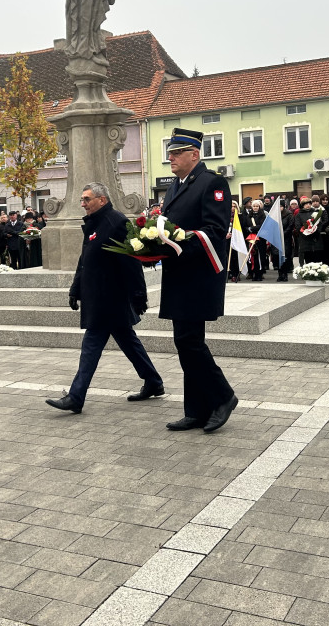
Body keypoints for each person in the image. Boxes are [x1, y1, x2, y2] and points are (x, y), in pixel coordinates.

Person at [46, 183, 164, 414]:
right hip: (97, 297)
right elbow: (85, 261)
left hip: (110, 298)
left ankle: (76, 396)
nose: (82, 203)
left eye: (87, 199)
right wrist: (75, 289)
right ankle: (153, 382)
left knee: (91, 346)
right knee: (128, 342)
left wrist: (139, 294)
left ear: (102, 200)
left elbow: (132, 262)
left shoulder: (116, 222)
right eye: (82, 199)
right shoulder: (93, 223)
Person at [158, 128, 238, 433]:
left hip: (199, 274)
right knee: (186, 343)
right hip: (179, 273)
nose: (171, 158)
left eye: (177, 153)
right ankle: (196, 410)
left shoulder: (212, 183)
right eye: (170, 152)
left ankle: (224, 396)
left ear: (195, 154)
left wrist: (177, 243)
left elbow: (214, 230)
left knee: (188, 342)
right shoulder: (175, 186)